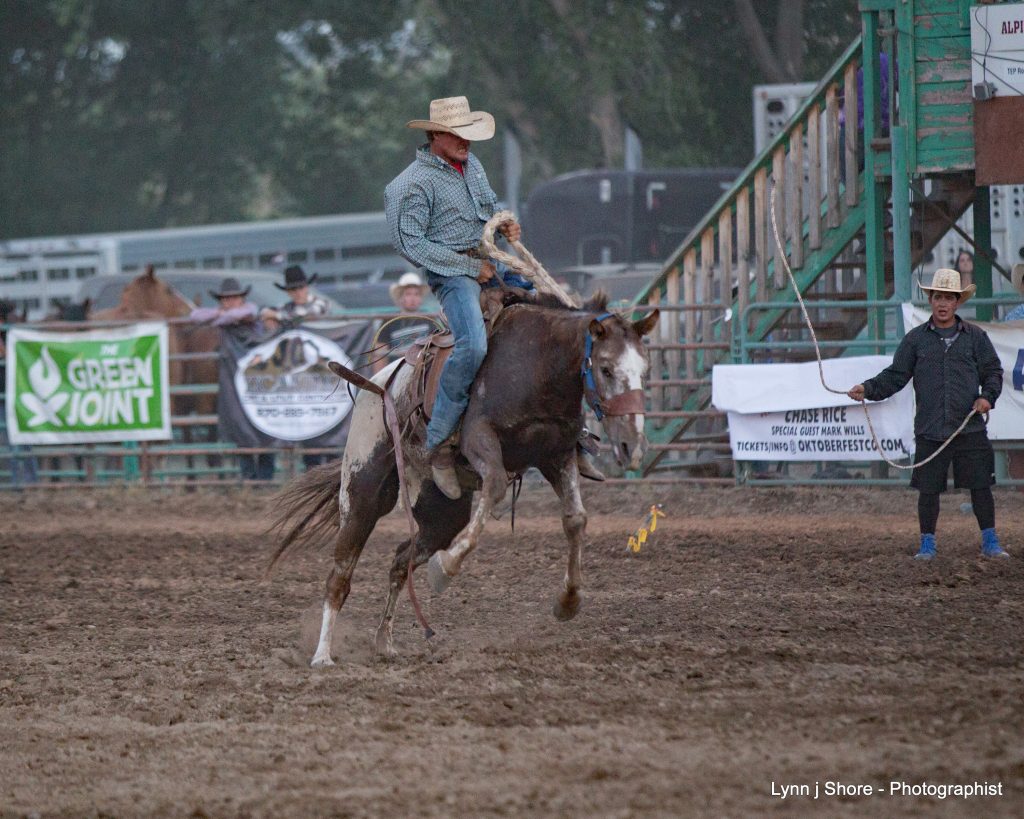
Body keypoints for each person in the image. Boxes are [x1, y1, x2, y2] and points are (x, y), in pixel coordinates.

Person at [385, 96, 603, 498]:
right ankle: (440, 444)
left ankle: (571, 435)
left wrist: (506, 225)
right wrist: (471, 269)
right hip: (453, 276)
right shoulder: (408, 185)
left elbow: (489, 207)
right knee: (472, 345)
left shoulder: (473, 167)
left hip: (491, 261)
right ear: (436, 135)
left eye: (468, 134)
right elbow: (410, 244)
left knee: (559, 328)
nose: (466, 142)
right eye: (458, 135)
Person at [847, 269, 1007, 560]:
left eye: (948, 298)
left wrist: (987, 397)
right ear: (930, 300)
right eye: (937, 298)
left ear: (957, 302)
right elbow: (895, 376)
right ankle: (927, 543)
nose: (943, 304)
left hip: (967, 426)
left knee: (981, 486)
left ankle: (990, 541)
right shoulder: (915, 341)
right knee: (928, 490)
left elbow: (993, 372)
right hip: (931, 427)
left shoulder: (976, 338)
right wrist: (868, 388)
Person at [191, 277, 275, 482]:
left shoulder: (250, 311)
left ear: (241, 299)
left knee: (262, 425)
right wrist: (222, 315)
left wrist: (219, 316)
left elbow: (244, 314)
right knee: (241, 426)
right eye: (226, 299)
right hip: (237, 379)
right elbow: (195, 315)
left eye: (234, 299)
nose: (230, 303)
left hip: (258, 377)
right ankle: (249, 476)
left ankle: (264, 476)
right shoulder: (233, 314)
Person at [371, 271, 437, 373]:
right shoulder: (388, 321)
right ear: (400, 297)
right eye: (408, 294)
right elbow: (379, 354)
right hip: (396, 371)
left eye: (416, 294)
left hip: (423, 370)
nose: (413, 298)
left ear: (420, 298)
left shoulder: (429, 319)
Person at [261, 265, 330, 327]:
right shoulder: (287, 307)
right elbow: (265, 312)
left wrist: (277, 315)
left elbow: (304, 316)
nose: (298, 292)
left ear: (307, 287)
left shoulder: (322, 304)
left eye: (301, 287)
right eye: (293, 289)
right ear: (288, 292)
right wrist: (269, 319)